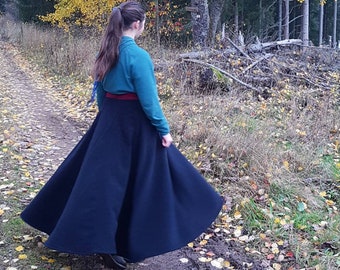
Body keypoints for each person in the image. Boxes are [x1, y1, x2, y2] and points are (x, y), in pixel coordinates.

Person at [21, 1, 223, 269]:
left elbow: (102, 93)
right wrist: (164, 130)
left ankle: (104, 242)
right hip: (135, 124)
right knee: (147, 180)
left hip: (110, 121)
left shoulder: (107, 50)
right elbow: (149, 101)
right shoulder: (138, 57)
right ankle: (128, 242)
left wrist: (108, 121)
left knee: (102, 185)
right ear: (137, 24)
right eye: (145, 21)